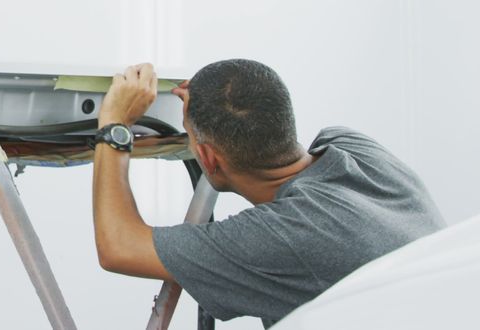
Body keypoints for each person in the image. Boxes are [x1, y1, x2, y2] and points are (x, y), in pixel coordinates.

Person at [91, 59, 445, 328]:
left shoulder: (285, 235)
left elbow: (119, 247)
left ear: (209, 158)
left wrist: (114, 127)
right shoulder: (359, 150)